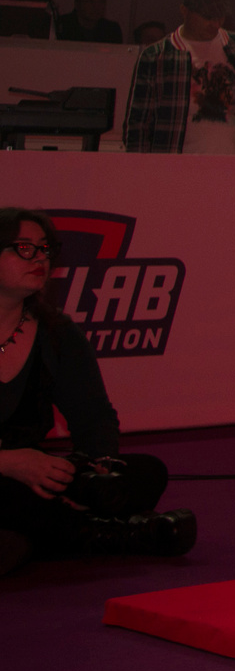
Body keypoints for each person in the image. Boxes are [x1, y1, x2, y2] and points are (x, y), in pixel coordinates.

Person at [0, 210, 195, 573]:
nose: (39, 258)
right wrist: (10, 462)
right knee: (10, 493)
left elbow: (95, 418)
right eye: (24, 248)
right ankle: (111, 534)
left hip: (34, 474)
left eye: (45, 249)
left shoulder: (58, 333)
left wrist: (97, 467)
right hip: (9, 475)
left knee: (146, 472)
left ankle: (40, 533)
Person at [120, 0, 235, 155]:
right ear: (184, 11)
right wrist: (141, 166)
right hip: (174, 163)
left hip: (233, 160)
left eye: (220, 17)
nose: (215, 24)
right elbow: (138, 124)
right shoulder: (157, 56)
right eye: (207, 17)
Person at [52, 0, 122, 45]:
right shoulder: (61, 26)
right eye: (90, 2)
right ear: (77, 4)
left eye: (101, 2)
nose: (96, 7)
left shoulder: (111, 30)